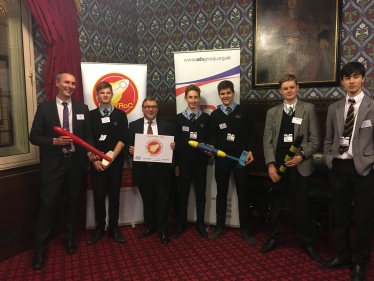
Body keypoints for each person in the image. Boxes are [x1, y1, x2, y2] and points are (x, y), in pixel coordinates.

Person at [29, 72, 94, 269]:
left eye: (73, 83)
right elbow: (34, 136)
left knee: (73, 204)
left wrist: (91, 153)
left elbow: (88, 135)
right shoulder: (45, 110)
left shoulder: (83, 109)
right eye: (66, 82)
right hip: (53, 167)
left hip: (76, 164)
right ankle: (40, 249)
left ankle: (70, 239)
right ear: (57, 83)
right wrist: (54, 141)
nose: (70, 86)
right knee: (48, 206)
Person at [321, 62, 374, 281]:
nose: (351, 81)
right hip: (339, 167)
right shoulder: (334, 107)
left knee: (363, 218)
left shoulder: (372, 105)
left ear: (363, 78)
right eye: (347, 78)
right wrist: (328, 158)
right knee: (340, 216)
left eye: (355, 76)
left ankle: (360, 262)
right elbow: (329, 138)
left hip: (364, 169)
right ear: (342, 82)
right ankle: (342, 255)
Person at [262, 74, 321, 262]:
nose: (288, 90)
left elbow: (315, 141)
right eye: (285, 88)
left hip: (300, 164)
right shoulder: (272, 112)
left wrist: (301, 156)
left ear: (297, 88)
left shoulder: (308, 109)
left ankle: (307, 242)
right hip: (278, 164)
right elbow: (267, 140)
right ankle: (274, 238)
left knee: (301, 205)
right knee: (277, 204)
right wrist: (271, 164)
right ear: (280, 91)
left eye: (292, 87)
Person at [207, 80, 256, 245]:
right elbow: (213, 135)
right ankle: (219, 226)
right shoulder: (215, 115)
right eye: (222, 94)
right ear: (219, 95)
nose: (225, 96)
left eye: (228, 93)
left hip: (241, 157)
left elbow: (252, 134)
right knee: (221, 192)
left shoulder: (244, 111)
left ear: (233, 93)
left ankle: (245, 229)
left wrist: (250, 151)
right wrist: (212, 145)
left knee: (243, 193)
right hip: (222, 157)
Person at [127, 97, 175, 244]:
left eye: (153, 106)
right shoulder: (133, 125)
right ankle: (150, 226)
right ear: (142, 109)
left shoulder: (166, 125)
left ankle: (163, 230)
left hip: (161, 170)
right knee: (147, 200)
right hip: (143, 169)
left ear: (157, 109)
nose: (150, 109)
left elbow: (172, 146)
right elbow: (127, 146)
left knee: (163, 201)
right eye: (147, 106)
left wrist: (173, 146)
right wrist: (130, 149)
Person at [86, 81, 128, 245]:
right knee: (98, 196)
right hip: (96, 163)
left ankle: (114, 229)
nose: (105, 95)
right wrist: (95, 159)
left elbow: (122, 139)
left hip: (115, 163)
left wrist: (110, 159)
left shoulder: (120, 115)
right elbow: (88, 138)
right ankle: (99, 228)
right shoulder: (90, 115)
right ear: (97, 96)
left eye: (108, 93)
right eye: (102, 93)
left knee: (114, 195)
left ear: (112, 95)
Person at [172, 85, 210, 239]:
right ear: (185, 98)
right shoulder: (178, 118)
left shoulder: (206, 119)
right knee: (183, 195)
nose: (193, 100)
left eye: (195, 97)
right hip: (184, 164)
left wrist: (211, 146)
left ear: (199, 98)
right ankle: (181, 223)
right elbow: (175, 142)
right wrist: (176, 164)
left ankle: (200, 223)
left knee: (201, 194)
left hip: (201, 163)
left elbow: (211, 138)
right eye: (190, 97)